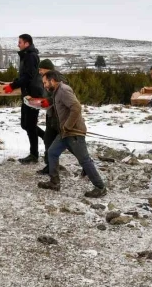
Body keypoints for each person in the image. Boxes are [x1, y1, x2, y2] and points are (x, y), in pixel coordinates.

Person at [38, 70, 107, 198]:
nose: (44, 85)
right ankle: (54, 182)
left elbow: (76, 107)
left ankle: (100, 187)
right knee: (52, 152)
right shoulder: (56, 92)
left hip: (74, 133)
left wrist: (68, 126)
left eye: (45, 82)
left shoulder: (63, 90)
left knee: (84, 160)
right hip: (65, 133)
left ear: (52, 81)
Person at [4, 34, 45, 164]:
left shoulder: (31, 56)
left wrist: (13, 86)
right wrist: (15, 82)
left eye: (20, 42)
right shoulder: (26, 55)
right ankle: (47, 138)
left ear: (26, 43)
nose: (18, 44)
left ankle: (34, 154)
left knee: (30, 125)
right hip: (27, 94)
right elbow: (24, 75)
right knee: (25, 125)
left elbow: (29, 76)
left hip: (33, 95)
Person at [36, 59, 70, 175]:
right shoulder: (46, 78)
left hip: (60, 116)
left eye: (41, 69)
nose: (39, 71)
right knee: (48, 140)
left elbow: (61, 95)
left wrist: (48, 101)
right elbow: (47, 94)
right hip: (51, 115)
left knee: (70, 144)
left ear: (47, 68)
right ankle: (50, 167)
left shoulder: (59, 78)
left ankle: (86, 165)